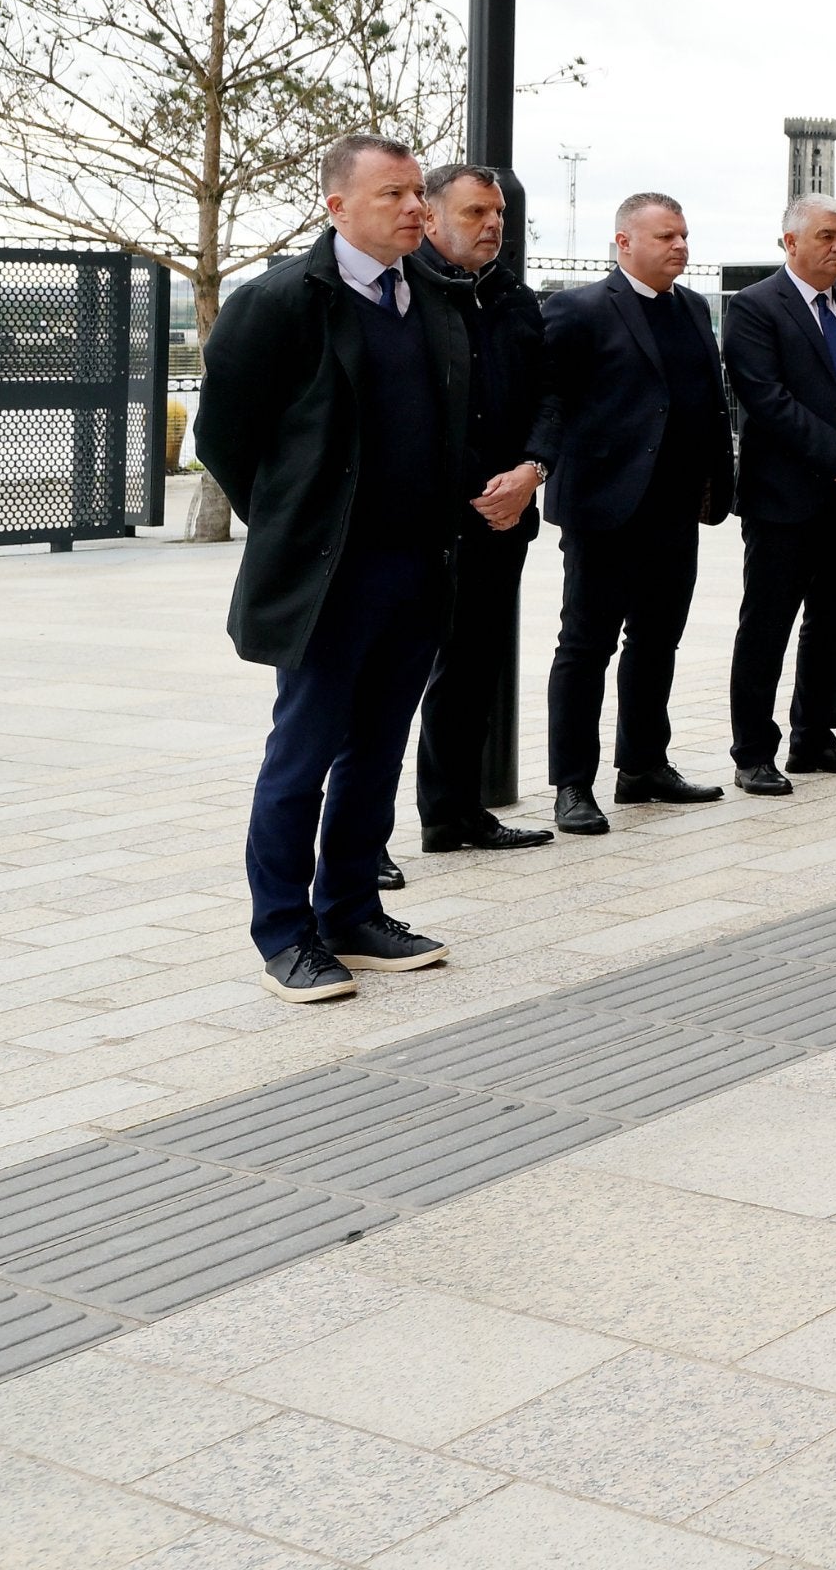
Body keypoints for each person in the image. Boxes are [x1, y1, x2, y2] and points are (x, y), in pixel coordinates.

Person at [193, 134, 468, 1002]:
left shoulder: (431, 295)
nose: (415, 208)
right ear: (337, 206)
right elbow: (224, 437)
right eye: (394, 194)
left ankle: (350, 910)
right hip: (325, 576)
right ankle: (284, 933)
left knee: (377, 752)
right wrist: (290, 523)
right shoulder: (279, 302)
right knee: (302, 754)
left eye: (419, 192)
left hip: (414, 568)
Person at [532, 194, 733, 832]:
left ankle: (643, 766)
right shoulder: (578, 309)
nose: (680, 246)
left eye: (684, 235)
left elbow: (705, 401)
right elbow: (551, 400)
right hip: (604, 509)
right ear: (623, 243)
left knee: (656, 643)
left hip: (674, 509)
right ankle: (571, 784)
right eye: (666, 236)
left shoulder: (693, 308)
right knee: (586, 647)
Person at [404, 163, 553, 867]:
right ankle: (360, 843)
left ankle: (455, 814)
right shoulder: (402, 295)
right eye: (475, 214)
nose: (493, 225)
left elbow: (551, 399)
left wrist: (531, 471)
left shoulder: (514, 298)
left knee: (472, 672)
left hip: (503, 518)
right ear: (430, 219)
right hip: (428, 523)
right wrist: (475, 488)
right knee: (391, 679)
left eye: (497, 214)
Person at [720, 196, 836, 790]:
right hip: (785, 498)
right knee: (767, 625)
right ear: (790, 243)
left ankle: (815, 737)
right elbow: (766, 401)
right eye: (826, 236)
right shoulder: (755, 307)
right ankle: (752, 752)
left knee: (833, 621)